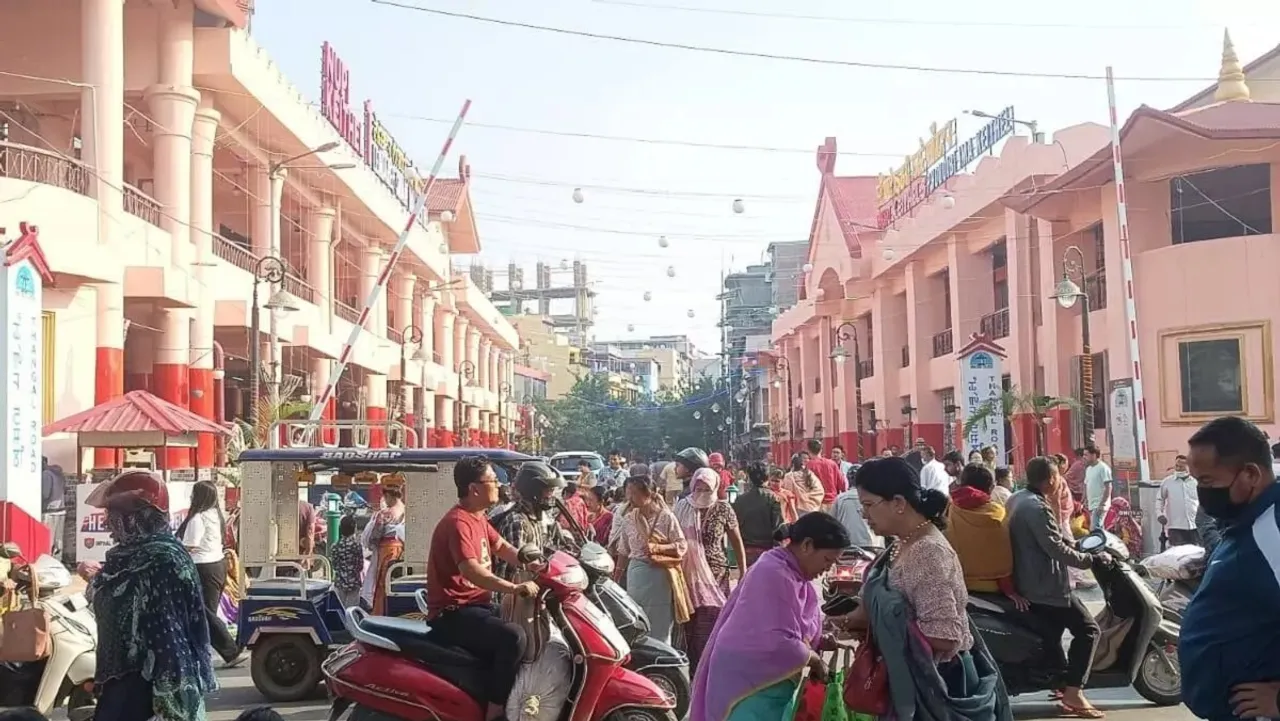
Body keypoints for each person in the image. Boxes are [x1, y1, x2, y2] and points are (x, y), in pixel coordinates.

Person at [841, 457, 1011, 721]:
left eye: (869, 505)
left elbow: (945, 637)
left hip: (939, 685)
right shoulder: (901, 544)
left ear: (898, 503)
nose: (864, 514)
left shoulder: (928, 552)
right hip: (911, 682)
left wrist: (880, 624)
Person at [82, 470, 217, 721]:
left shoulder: (162, 559)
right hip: (124, 679)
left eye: (113, 514)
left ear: (137, 517)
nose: (107, 524)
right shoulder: (127, 558)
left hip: (154, 682)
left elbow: (166, 630)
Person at [689, 513, 848, 721]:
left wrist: (820, 641)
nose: (827, 568)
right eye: (827, 560)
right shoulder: (773, 572)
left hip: (769, 680)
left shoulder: (795, 577)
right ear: (807, 545)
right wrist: (814, 660)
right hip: (747, 681)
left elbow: (793, 630)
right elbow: (777, 642)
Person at [1178, 416, 1280, 721]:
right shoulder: (1244, 524)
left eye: (1208, 482)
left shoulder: (1272, 534)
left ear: (1250, 474)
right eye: (1197, 481)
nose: (1202, 492)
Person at [424, 455, 539, 721]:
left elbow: (501, 546)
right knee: (514, 637)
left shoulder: (477, 518)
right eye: (493, 480)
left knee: (528, 623)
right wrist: (514, 587)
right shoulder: (458, 522)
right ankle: (495, 711)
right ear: (474, 488)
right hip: (453, 613)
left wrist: (532, 563)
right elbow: (471, 570)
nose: (499, 485)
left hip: (476, 607)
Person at [1006, 457, 1102, 718]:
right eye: (1058, 476)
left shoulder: (1017, 499)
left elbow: (1053, 539)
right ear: (1051, 479)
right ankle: (1074, 691)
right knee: (1089, 630)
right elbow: (1055, 548)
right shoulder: (1037, 507)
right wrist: (1089, 560)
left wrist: (1076, 546)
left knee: (1053, 636)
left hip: (1028, 581)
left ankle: (1061, 683)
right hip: (1047, 587)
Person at [673, 457, 735, 671]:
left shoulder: (723, 509)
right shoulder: (683, 506)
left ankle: (713, 662)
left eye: (706, 489)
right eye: (698, 488)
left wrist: (744, 571)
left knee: (713, 618)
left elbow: (736, 541)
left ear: (715, 487)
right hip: (688, 573)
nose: (702, 492)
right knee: (691, 619)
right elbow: (674, 537)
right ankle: (694, 665)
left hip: (716, 573)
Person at [613, 474, 687, 644]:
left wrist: (658, 548)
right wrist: (616, 577)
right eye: (628, 494)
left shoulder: (666, 517)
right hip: (636, 577)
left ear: (650, 493)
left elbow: (682, 545)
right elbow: (623, 551)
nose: (630, 499)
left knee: (660, 622)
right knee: (637, 619)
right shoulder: (629, 519)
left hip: (659, 577)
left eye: (634, 493)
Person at [176, 480, 242, 666]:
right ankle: (201, 654)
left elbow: (191, 546)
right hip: (217, 565)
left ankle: (230, 651)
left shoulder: (198, 518)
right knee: (206, 612)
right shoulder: (215, 515)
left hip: (202, 567)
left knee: (202, 612)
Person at [946, 464, 1026, 607]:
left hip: (958, 585)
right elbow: (1003, 555)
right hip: (993, 589)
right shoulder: (997, 513)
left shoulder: (951, 508)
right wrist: (1010, 591)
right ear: (991, 487)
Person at [493, 461, 564, 582]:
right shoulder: (518, 522)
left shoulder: (534, 519)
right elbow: (514, 569)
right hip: (515, 590)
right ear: (533, 491)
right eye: (548, 490)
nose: (551, 496)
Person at [365, 473, 406, 615]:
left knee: (382, 582)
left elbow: (375, 535)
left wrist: (371, 543)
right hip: (401, 548)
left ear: (388, 495)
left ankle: (380, 612)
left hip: (386, 550)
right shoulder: (406, 510)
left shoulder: (386, 513)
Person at [731, 462, 784, 567]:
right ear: (767, 477)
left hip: (746, 551)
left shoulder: (740, 500)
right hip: (767, 552)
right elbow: (778, 528)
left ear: (749, 478)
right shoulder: (773, 498)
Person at [831, 463, 881, 548]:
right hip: (874, 544)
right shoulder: (874, 497)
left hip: (848, 544)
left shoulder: (840, 498)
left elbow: (833, 522)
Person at [1158, 454, 1199, 547]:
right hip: (1175, 526)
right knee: (1177, 552)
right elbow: (1160, 499)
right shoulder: (1167, 482)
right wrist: (1159, 514)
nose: (1178, 469)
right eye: (1177, 466)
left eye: (1181, 467)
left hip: (1194, 525)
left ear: (1188, 467)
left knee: (1196, 552)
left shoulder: (1195, 482)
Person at [329, 514, 364, 608]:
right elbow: (360, 566)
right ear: (354, 529)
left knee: (340, 608)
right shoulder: (357, 545)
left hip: (340, 581)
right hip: (354, 581)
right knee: (352, 609)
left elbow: (334, 566)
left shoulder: (335, 546)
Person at [804, 439, 846, 511]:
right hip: (832, 501)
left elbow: (806, 485)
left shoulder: (809, 466)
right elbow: (842, 484)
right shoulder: (832, 464)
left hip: (816, 502)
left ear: (808, 451)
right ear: (821, 450)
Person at [40, 457, 66, 561]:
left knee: (47, 540)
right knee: (58, 541)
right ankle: (57, 561)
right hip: (61, 510)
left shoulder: (46, 474)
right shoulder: (59, 474)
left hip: (49, 511)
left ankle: (47, 562)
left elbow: (45, 494)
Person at [1081, 445, 1113, 530]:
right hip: (1091, 505)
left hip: (1099, 505)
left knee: (1095, 529)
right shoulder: (1088, 469)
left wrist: (1102, 504)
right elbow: (1086, 485)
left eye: (1086, 455)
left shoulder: (1103, 468)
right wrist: (1084, 500)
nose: (1084, 457)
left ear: (1094, 455)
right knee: (1099, 530)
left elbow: (1108, 487)